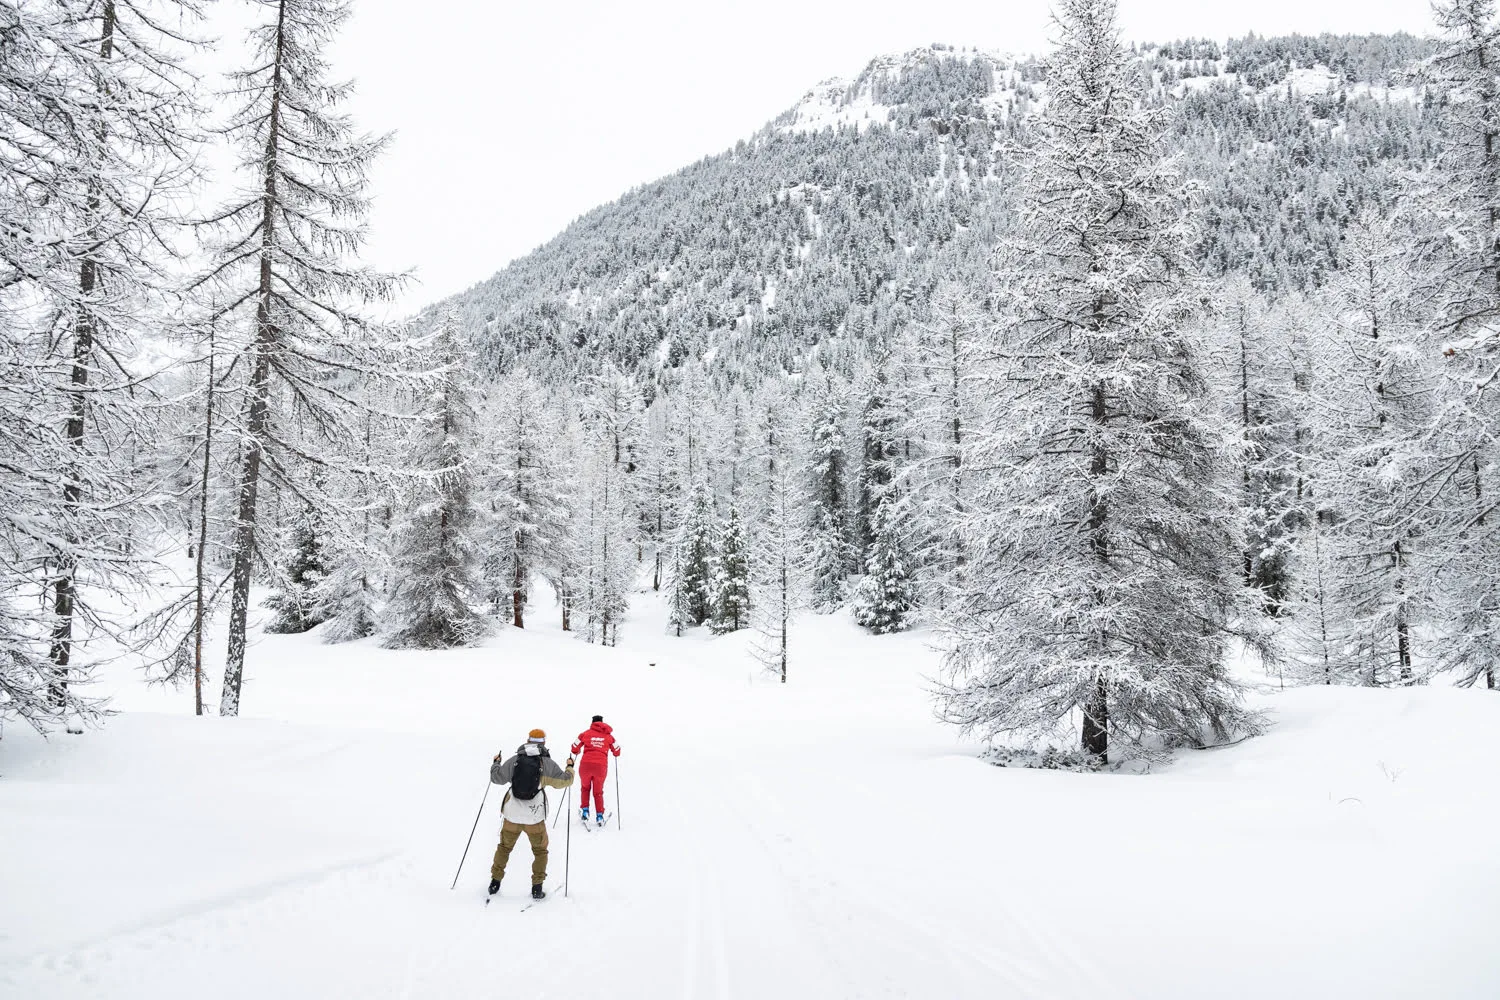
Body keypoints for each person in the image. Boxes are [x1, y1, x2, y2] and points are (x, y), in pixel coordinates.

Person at [489, 728, 574, 900]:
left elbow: (496, 778)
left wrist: (496, 763)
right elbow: (566, 780)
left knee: (504, 848)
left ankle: (495, 882)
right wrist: (570, 767)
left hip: (512, 815)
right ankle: (537, 887)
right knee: (540, 851)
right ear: (543, 742)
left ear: (527, 741)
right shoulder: (546, 763)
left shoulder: (515, 760)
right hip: (534, 817)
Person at [571, 714, 621, 828]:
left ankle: (585, 812)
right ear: (602, 723)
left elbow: (574, 747)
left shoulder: (585, 734)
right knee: (598, 792)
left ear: (592, 723)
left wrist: (577, 751)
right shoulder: (609, 736)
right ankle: (599, 816)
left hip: (585, 766)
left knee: (585, 788)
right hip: (600, 767)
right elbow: (617, 751)